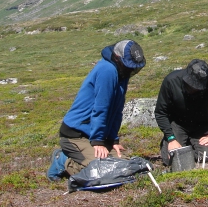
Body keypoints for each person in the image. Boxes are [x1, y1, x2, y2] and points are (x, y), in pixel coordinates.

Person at [47, 40, 146, 181]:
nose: (131, 70)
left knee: (125, 165)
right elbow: (101, 108)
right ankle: (62, 160)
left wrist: (113, 140)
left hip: (93, 134)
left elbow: (117, 109)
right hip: (76, 135)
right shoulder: (108, 70)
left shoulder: (122, 72)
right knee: (101, 170)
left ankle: (86, 154)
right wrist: (98, 141)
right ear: (118, 58)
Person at [154, 59, 208, 166]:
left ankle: (186, 147)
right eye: (190, 86)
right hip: (178, 123)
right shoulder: (171, 81)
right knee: (170, 160)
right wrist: (171, 138)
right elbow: (160, 112)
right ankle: (173, 142)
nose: (193, 90)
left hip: (201, 124)